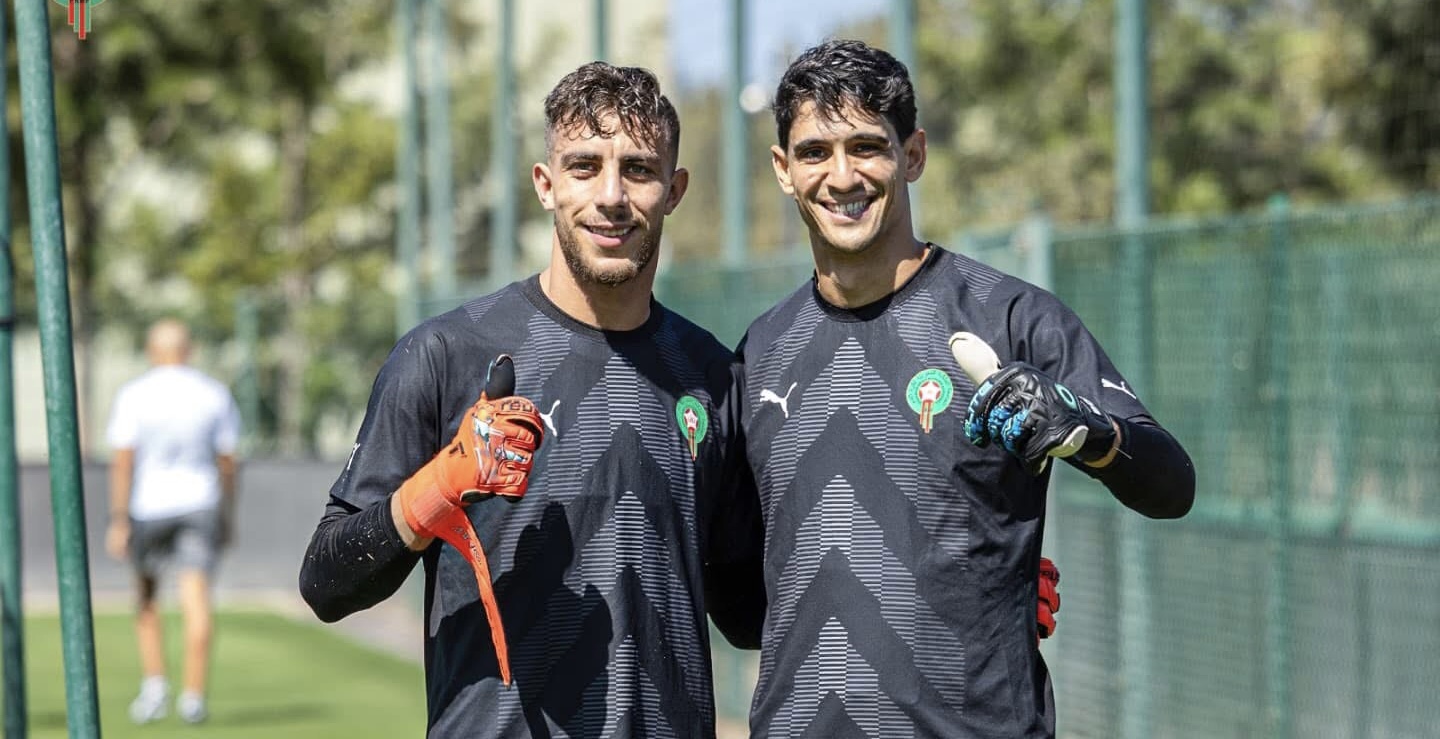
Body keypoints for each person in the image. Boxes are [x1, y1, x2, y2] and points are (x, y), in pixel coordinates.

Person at [735, 39, 1195, 738]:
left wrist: (1090, 433)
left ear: (912, 155)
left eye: (867, 146)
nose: (842, 175)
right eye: (814, 152)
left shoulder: (1013, 318)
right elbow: (740, 596)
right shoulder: (762, 350)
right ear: (782, 169)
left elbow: (1171, 483)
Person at [298, 62, 763, 738]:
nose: (610, 195)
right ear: (545, 185)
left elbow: (747, 611)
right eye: (583, 167)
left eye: (638, 169)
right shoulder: (446, 354)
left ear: (674, 190)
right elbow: (325, 583)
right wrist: (434, 489)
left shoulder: (712, 375)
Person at [105, 318, 242, 725]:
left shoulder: (135, 394)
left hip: (149, 506)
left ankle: (155, 686)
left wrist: (118, 518)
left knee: (146, 596)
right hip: (200, 503)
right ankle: (193, 696)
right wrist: (228, 515)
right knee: (196, 597)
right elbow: (228, 461)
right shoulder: (213, 393)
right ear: (189, 350)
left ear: (151, 350)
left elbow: (123, 460)